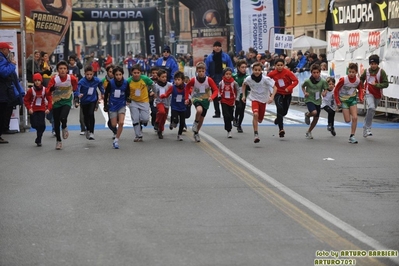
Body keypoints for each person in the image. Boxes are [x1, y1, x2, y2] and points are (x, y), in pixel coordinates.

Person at [241, 62, 277, 143]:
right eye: (255, 70)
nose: (257, 72)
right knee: (255, 114)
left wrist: (272, 97)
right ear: (252, 70)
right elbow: (244, 85)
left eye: (259, 70)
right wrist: (243, 95)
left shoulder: (266, 79)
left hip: (263, 100)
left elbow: (275, 88)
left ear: (261, 71)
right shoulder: (249, 79)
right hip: (254, 99)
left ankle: (257, 122)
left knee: (260, 120)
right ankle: (256, 134)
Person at [47, 60, 78, 150]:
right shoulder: (54, 79)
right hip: (56, 101)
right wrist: (52, 88)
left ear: (67, 70)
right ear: (57, 70)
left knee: (63, 117)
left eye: (64, 68)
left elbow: (75, 85)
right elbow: (48, 90)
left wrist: (76, 93)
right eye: (60, 68)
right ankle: (58, 141)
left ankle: (64, 126)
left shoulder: (71, 78)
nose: (62, 70)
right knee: (56, 122)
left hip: (67, 100)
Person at [185, 62, 219, 142]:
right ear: (197, 71)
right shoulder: (194, 80)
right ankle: (195, 122)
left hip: (206, 100)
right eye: (199, 71)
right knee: (199, 110)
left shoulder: (209, 80)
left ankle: (196, 132)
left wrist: (212, 97)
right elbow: (187, 87)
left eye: (202, 71)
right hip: (196, 98)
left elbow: (215, 90)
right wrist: (187, 98)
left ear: (205, 71)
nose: (201, 73)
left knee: (202, 118)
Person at [267, 58, 299, 138]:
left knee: (284, 112)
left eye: (281, 65)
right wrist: (269, 92)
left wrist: (289, 87)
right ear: (275, 66)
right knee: (279, 109)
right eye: (278, 65)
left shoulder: (287, 72)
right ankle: (281, 129)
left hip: (287, 94)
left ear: (284, 65)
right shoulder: (272, 74)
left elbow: (295, 81)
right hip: (278, 93)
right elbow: (266, 81)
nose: (280, 67)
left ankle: (278, 119)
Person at [0, 42, 24, 143]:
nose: (9, 51)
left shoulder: (3, 58)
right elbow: (3, 72)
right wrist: (12, 65)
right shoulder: (1, 58)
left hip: (4, 90)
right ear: (3, 49)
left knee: (4, 111)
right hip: (2, 91)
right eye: (7, 49)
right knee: (2, 113)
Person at [334, 62, 364, 144]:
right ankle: (346, 111)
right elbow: (336, 90)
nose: (351, 74)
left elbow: (360, 89)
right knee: (347, 120)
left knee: (355, 118)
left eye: (353, 72)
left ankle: (352, 136)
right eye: (350, 72)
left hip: (352, 99)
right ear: (348, 71)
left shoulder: (357, 81)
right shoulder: (343, 79)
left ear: (356, 72)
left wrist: (361, 97)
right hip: (344, 100)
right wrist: (337, 101)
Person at [359, 54, 389, 138]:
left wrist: (377, 85)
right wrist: (361, 88)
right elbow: (361, 79)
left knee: (372, 111)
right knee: (371, 107)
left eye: (375, 64)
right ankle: (367, 128)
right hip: (369, 93)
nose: (373, 66)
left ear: (377, 64)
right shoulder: (367, 71)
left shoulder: (381, 72)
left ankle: (365, 128)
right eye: (372, 64)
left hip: (378, 94)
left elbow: (386, 84)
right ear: (370, 64)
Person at [205, 41, 234, 118]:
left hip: (224, 79)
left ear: (221, 47)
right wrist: (208, 78)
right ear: (213, 47)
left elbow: (231, 67)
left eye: (218, 46)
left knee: (225, 95)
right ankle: (217, 112)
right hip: (213, 78)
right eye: (215, 46)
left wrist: (231, 76)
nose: (217, 48)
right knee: (215, 95)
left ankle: (227, 111)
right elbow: (206, 69)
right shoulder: (209, 58)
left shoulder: (226, 57)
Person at [76, 65, 104, 140]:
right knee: (85, 116)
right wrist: (79, 94)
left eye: (90, 74)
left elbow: (101, 86)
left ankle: (92, 132)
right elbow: (77, 89)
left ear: (93, 74)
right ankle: (87, 129)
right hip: (84, 101)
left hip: (93, 100)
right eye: (87, 74)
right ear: (85, 74)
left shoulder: (96, 80)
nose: (89, 76)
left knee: (91, 114)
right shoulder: (81, 81)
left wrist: (103, 93)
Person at [127, 64, 154, 142]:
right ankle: (138, 135)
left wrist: (155, 93)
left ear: (140, 73)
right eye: (134, 73)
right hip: (133, 102)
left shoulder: (145, 79)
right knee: (135, 119)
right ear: (132, 73)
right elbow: (125, 90)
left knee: (145, 119)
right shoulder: (129, 81)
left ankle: (142, 122)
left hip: (144, 101)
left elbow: (153, 85)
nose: (136, 74)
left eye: (138, 73)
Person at [23, 73, 52, 146]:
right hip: (33, 109)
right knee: (34, 125)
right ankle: (37, 131)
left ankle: (39, 139)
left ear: (41, 81)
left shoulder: (45, 90)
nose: (37, 82)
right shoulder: (31, 90)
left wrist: (48, 108)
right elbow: (26, 100)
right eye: (35, 80)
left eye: (39, 80)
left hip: (42, 109)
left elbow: (50, 100)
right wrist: (29, 108)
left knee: (42, 125)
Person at [103, 66, 129, 149]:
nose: (118, 76)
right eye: (116, 74)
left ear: (122, 75)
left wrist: (128, 99)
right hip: (112, 105)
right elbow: (106, 94)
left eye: (120, 74)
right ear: (114, 75)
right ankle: (116, 119)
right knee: (114, 124)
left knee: (121, 123)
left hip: (121, 104)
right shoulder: (111, 83)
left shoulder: (126, 83)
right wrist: (105, 105)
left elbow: (128, 92)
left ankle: (116, 140)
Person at [302, 64, 329, 139]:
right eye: (314, 72)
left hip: (317, 100)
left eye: (317, 72)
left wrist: (324, 92)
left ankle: (309, 131)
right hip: (309, 99)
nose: (316, 74)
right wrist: (305, 92)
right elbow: (302, 86)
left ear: (320, 72)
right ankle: (307, 115)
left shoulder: (322, 81)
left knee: (316, 118)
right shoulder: (308, 81)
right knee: (314, 112)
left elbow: (326, 88)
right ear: (311, 73)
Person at [160, 71, 187, 141]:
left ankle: (179, 134)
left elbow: (190, 93)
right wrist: (163, 96)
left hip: (183, 107)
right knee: (175, 119)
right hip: (174, 106)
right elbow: (167, 94)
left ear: (182, 80)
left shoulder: (186, 87)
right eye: (175, 80)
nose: (176, 81)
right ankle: (173, 122)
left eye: (178, 80)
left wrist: (189, 100)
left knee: (182, 122)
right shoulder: (173, 87)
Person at [219, 67, 238, 138]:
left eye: (230, 74)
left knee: (230, 115)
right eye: (226, 74)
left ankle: (232, 119)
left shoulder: (234, 82)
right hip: (224, 100)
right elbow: (218, 90)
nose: (228, 75)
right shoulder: (221, 83)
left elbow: (238, 90)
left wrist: (237, 98)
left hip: (231, 101)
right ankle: (228, 130)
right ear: (223, 75)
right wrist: (219, 96)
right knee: (225, 115)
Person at [153, 69, 172, 139]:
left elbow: (174, 89)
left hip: (167, 103)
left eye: (165, 77)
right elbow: (154, 92)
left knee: (164, 118)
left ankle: (160, 130)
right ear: (158, 77)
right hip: (159, 102)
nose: (164, 79)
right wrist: (153, 93)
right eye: (162, 77)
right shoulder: (156, 85)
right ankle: (157, 122)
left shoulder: (169, 85)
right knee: (161, 112)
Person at [233, 59, 249, 133]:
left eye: (245, 67)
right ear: (238, 68)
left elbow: (250, 87)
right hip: (236, 96)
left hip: (244, 96)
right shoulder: (234, 76)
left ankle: (239, 125)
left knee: (242, 110)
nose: (244, 69)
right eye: (242, 67)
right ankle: (235, 118)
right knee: (238, 107)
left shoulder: (247, 77)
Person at [101, 65, 117, 138]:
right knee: (111, 120)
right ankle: (115, 131)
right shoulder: (103, 81)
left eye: (113, 72)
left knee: (118, 118)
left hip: (118, 101)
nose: (111, 73)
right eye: (110, 72)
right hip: (108, 101)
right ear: (107, 72)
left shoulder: (119, 80)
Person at [149, 66, 159, 132]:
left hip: (159, 99)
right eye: (153, 73)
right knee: (154, 111)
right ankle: (154, 121)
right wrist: (150, 92)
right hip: (151, 99)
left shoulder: (161, 79)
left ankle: (157, 124)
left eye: (156, 73)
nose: (154, 74)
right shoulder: (149, 80)